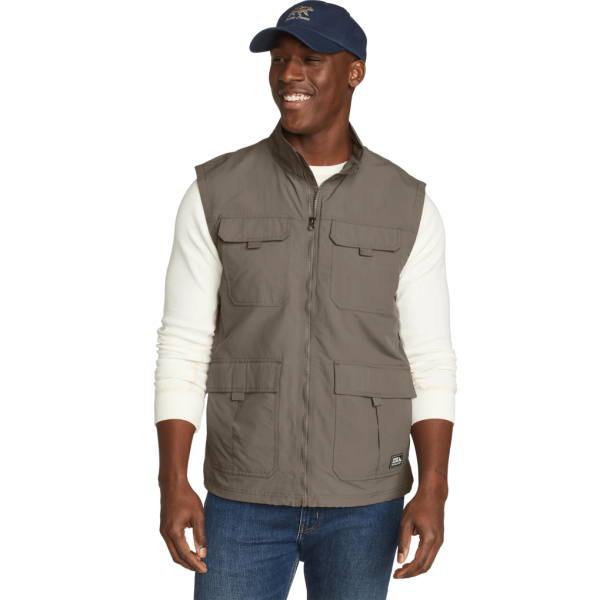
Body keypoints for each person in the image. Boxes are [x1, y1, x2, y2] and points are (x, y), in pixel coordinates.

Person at [154, 2, 457, 598]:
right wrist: (173, 481)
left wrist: (433, 489)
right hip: (241, 494)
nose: (289, 74)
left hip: (365, 501)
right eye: (279, 59)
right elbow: (184, 346)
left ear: (355, 72)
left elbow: (428, 358)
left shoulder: (408, 205)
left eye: (311, 59)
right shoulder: (215, 192)